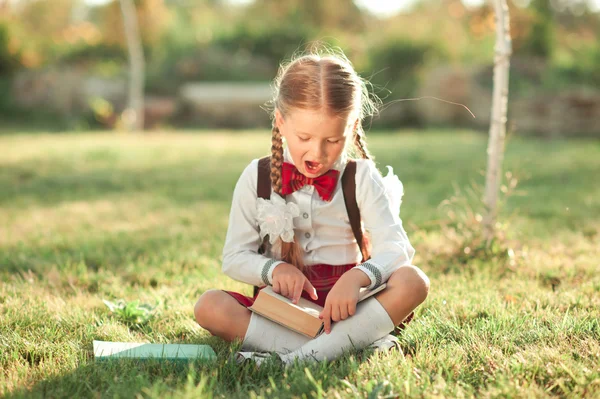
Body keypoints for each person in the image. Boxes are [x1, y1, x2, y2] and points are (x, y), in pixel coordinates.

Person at [194, 48, 430, 365]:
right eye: (304, 137)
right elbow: (234, 258)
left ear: (352, 126)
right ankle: (356, 343)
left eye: (332, 140)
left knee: (414, 282)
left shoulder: (360, 176)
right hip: (284, 308)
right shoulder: (257, 176)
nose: (316, 153)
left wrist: (357, 279)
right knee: (209, 306)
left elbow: (397, 248)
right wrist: (273, 269)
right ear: (280, 121)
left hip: (351, 305)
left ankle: (292, 360)